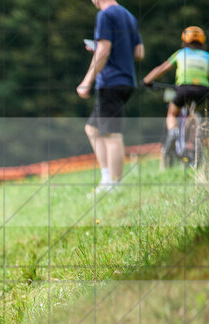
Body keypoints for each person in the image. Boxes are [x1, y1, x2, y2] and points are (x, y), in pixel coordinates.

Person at [77, 0, 144, 195]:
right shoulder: (128, 16)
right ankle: (107, 179)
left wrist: (87, 81)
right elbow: (139, 53)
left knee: (111, 134)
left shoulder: (105, 15)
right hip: (127, 80)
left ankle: (115, 184)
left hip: (111, 82)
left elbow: (104, 50)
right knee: (92, 129)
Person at [142, 26, 209, 152]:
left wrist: (147, 80)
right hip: (203, 91)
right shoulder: (207, 56)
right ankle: (195, 134)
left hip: (184, 89)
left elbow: (162, 69)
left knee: (172, 113)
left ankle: (174, 132)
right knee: (194, 112)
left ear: (184, 41)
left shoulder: (180, 54)